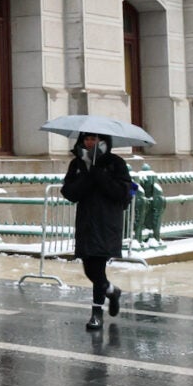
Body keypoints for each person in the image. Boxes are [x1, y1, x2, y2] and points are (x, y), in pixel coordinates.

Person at [61, 132, 135, 331]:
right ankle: (111, 291)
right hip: (86, 221)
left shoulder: (115, 163)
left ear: (103, 141)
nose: (89, 142)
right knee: (89, 268)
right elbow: (68, 192)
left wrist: (99, 174)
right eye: (86, 138)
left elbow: (123, 193)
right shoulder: (77, 163)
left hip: (107, 221)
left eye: (94, 138)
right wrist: (87, 176)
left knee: (98, 267)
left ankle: (96, 313)